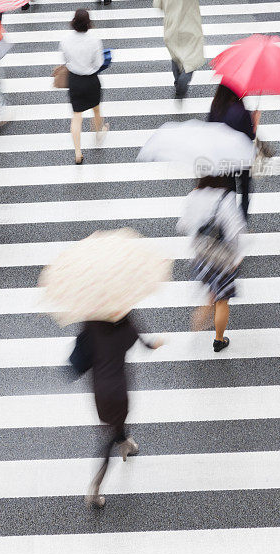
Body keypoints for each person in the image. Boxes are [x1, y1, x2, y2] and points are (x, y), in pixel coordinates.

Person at [85, 315, 162, 508]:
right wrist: (157, 343)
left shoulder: (92, 324)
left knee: (114, 424)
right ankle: (95, 487)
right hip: (118, 390)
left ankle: (126, 444)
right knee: (110, 436)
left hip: (99, 390)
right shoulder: (125, 327)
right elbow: (145, 344)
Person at [177, 174, 246, 352]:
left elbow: (183, 225)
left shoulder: (193, 196)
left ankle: (207, 306)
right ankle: (219, 339)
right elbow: (234, 230)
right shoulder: (226, 198)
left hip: (201, 254)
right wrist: (236, 257)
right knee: (223, 300)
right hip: (222, 257)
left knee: (212, 291)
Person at [60, 9, 108, 164]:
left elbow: (65, 60)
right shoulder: (94, 40)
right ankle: (99, 132)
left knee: (77, 116)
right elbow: (99, 63)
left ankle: (78, 153)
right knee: (96, 109)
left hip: (75, 80)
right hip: (91, 80)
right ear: (88, 23)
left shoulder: (65, 40)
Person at [153, 0, 211, 99]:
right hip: (191, 29)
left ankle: (177, 82)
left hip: (171, 29)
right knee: (191, 60)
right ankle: (182, 84)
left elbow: (158, 5)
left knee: (176, 57)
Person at [208, 83, 258, 218]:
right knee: (245, 190)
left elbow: (209, 130)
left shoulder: (215, 108)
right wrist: (254, 122)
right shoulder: (242, 112)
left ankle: (227, 223)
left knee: (229, 190)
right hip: (242, 158)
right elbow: (250, 136)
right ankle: (241, 219)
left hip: (223, 158)